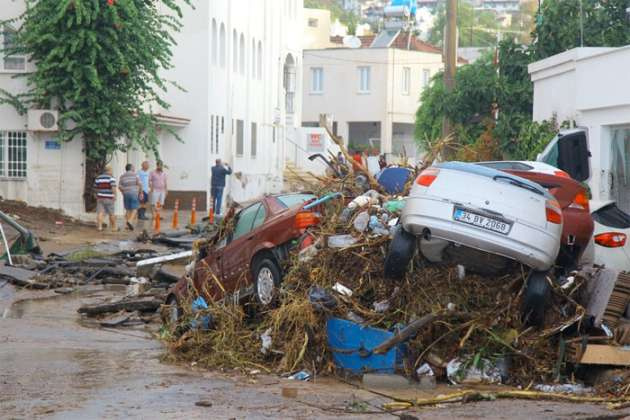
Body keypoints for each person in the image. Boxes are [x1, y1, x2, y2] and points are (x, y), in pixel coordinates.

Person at [119, 163, 142, 231]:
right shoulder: (135, 175)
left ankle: (127, 226)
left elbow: (119, 186)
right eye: (133, 167)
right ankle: (130, 221)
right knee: (135, 208)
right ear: (131, 168)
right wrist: (141, 192)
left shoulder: (122, 176)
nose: (134, 168)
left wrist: (123, 192)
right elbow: (139, 184)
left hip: (126, 193)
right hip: (134, 193)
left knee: (128, 209)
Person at [94, 165, 117, 232]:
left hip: (100, 197)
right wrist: (115, 195)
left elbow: (95, 188)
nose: (112, 171)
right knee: (111, 213)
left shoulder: (98, 178)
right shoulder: (111, 178)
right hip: (109, 198)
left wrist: (96, 195)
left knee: (100, 212)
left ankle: (100, 227)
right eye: (111, 170)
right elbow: (113, 188)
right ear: (109, 170)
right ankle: (114, 227)